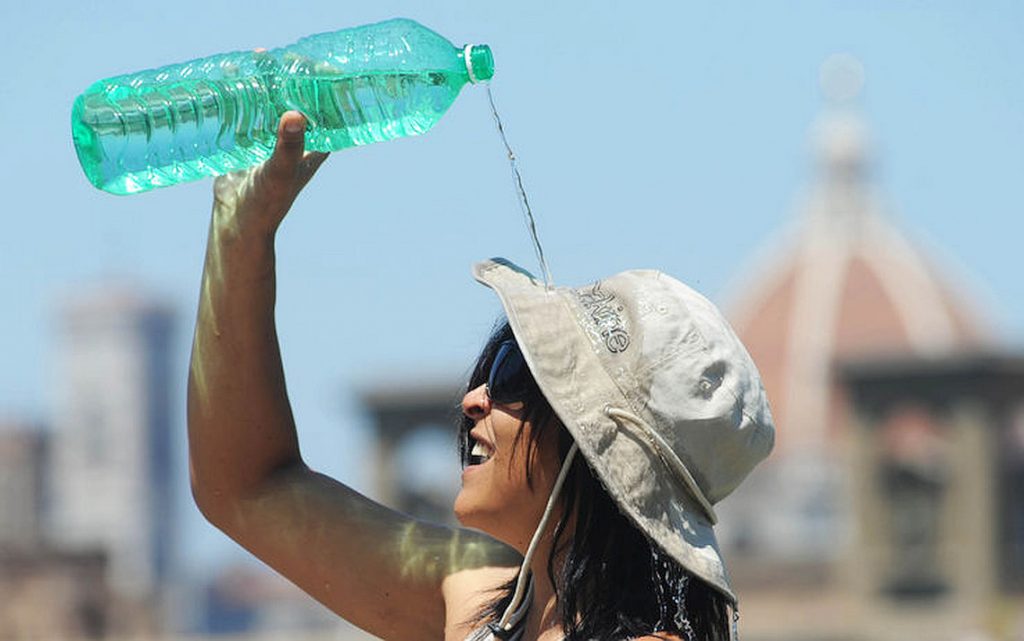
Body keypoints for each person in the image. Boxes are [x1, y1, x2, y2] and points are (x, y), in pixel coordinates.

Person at [188, 111, 775, 641]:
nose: (472, 398)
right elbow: (248, 488)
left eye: (517, 375)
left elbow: (251, 490)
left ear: (600, 449)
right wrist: (241, 234)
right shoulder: (483, 603)